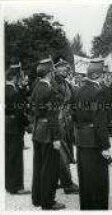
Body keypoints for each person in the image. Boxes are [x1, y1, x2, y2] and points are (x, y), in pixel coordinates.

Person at [72, 59, 111, 210]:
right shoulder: (98, 92)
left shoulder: (78, 90)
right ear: (96, 75)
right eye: (102, 75)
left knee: (85, 179)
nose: (104, 78)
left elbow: (74, 115)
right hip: (94, 141)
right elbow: (100, 122)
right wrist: (105, 146)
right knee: (98, 181)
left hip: (82, 139)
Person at [31, 58, 66, 210]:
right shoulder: (50, 90)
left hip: (38, 129)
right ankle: (48, 201)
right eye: (52, 71)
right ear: (50, 73)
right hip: (48, 132)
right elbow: (53, 116)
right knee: (49, 168)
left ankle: (37, 197)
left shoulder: (36, 87)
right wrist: (56, 137)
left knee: (38, 166)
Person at [53, 59, 79, 195]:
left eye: (66, 67)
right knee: (62, 152)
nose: (65, 69)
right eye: (61, 67)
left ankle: (59, 179)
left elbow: (74, 100)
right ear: (55, 69)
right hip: (58, 121)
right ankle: (67, 184)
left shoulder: (66, 83)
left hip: (67, 120)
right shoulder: (54, 83)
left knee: (66, 150)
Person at [5, 63, 31, 195]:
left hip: (6, 125)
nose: (21, 78)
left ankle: (9, 184)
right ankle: (17, 186)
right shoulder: (14, 93)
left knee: (8, 156)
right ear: (15, 77)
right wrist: (28, 125)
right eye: (20, 76)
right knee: (16, 157)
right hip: (15, 127)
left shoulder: (5, 89)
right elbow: (20, 112)